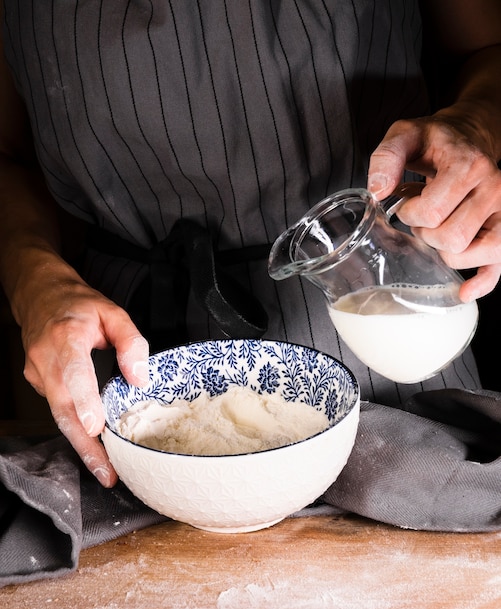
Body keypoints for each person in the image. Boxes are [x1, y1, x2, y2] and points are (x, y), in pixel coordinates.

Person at [0, 0, 500, 489]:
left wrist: (476, 124)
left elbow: (486, 50)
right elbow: (9, 153)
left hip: (388, 328)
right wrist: (35, 280)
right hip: (126, 360)